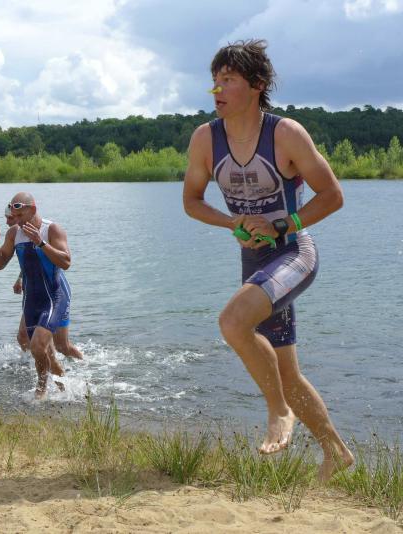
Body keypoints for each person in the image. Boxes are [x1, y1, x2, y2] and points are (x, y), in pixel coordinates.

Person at [183, 39, 353, 481]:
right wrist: (231, 221)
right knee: (287, 373)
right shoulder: (205, 139)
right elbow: (191, 201)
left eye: (228, 80)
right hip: (254, 261)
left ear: (257, 85)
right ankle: (336, 452)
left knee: (233, 322)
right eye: (214, 80)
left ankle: (278, 411)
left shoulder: (285, 134)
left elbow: (333, 195)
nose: (217, 89)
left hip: (294, 253)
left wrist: (282, 224)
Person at [0, 193, 76, 399]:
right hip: (31, 300)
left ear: (33, 210)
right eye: (14, 216)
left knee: (39, 346)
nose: (16, 221)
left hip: (54, 296)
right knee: (43, 351)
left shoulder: (51, 229)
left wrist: (41, 243)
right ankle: (68, 389)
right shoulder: (14, 233)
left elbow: (66, 262)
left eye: (20, 216)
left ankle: (41, 391)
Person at [5, 205, 83, 360]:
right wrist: (20, 277)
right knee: (23, 337)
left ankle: (84, 364)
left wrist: (40, 243)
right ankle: (42, 363)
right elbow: (29, 261)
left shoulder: (44, 230)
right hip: (35, 293)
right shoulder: (17, 233)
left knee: (62, 346)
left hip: (55, 290)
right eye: (7, 218)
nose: (8, 222)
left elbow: (50, 260)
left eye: (11, 218)